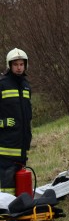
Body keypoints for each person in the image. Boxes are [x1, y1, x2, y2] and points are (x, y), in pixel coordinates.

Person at [0, 49, 32, 196]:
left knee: (20, 180)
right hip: (5, 147)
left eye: (21, 64)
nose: (19, 67)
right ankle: (6, 212)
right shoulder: (2, 85)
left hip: (21, 145)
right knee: (7, 182)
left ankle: (19, 210)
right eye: (15, 64)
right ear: (9, 66)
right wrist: (3, 122)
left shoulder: (26, 86)